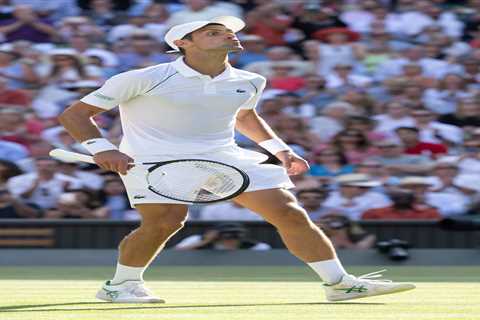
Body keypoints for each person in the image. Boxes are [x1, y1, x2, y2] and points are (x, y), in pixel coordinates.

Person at [58, 16, 414, 304]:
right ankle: (120, 285)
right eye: (214, 32)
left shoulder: (250, 79)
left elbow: (245, 117)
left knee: (288, 210)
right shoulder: (141, 78)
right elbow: (75, 115)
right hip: (155, 159)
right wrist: (102, 148)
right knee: (165, 223)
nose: (229, 36)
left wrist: (279, 149)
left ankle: (340, 284)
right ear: (183, 43)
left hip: (225, 155)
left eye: (229, 32)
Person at [174, 222, 271, 250]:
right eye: (226, 237)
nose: (230, 240)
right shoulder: (198, 240)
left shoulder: (250, 245)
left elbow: (265, 249)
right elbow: (176, 251)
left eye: (234, 237)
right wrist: (204, 242)